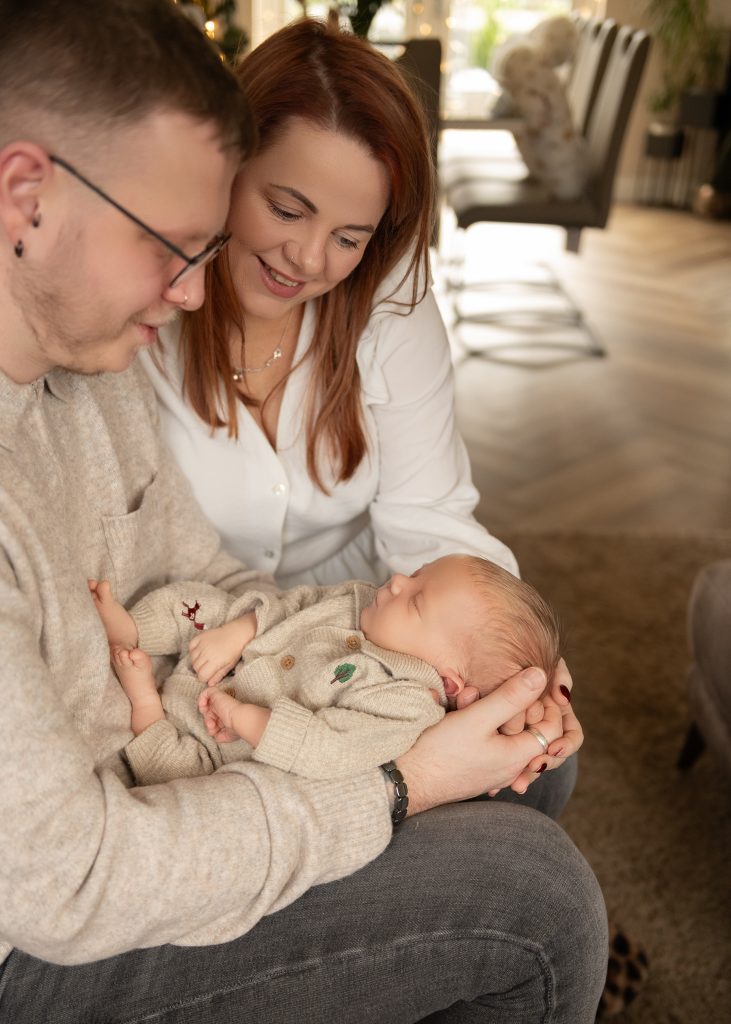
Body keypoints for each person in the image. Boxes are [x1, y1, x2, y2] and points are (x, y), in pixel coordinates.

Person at [0, 2, 607, 1022]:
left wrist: (484, 691)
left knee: (526, 779)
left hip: (175, 741)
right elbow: (70, 882)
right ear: (25, 196)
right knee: (538, 899)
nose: (196, 296)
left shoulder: (85, 369)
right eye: (173, 242)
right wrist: (394, 785)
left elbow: (210, 572)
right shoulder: (110, 351)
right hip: (54, 914)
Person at [90, 554, 561, 785]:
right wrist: (242, 629)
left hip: (220, 736)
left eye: (416, 599)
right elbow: (299, 601)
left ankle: (145, 701)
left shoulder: (404, 705)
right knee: (202, 605)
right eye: (415, 573)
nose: (396, 581)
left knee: (179, 775)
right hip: (236, 652)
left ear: (448, 678)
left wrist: (244, 719)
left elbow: (330, 746)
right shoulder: (362, 599)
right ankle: (132, 626)